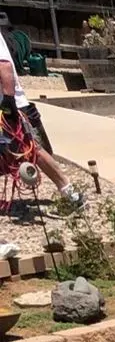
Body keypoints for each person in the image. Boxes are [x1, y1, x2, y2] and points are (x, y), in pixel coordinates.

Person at [0, 15, 77, 204]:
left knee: (33, 150)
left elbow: (5, 66)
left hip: (10, 106)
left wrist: (9, 101)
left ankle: (70, 192)